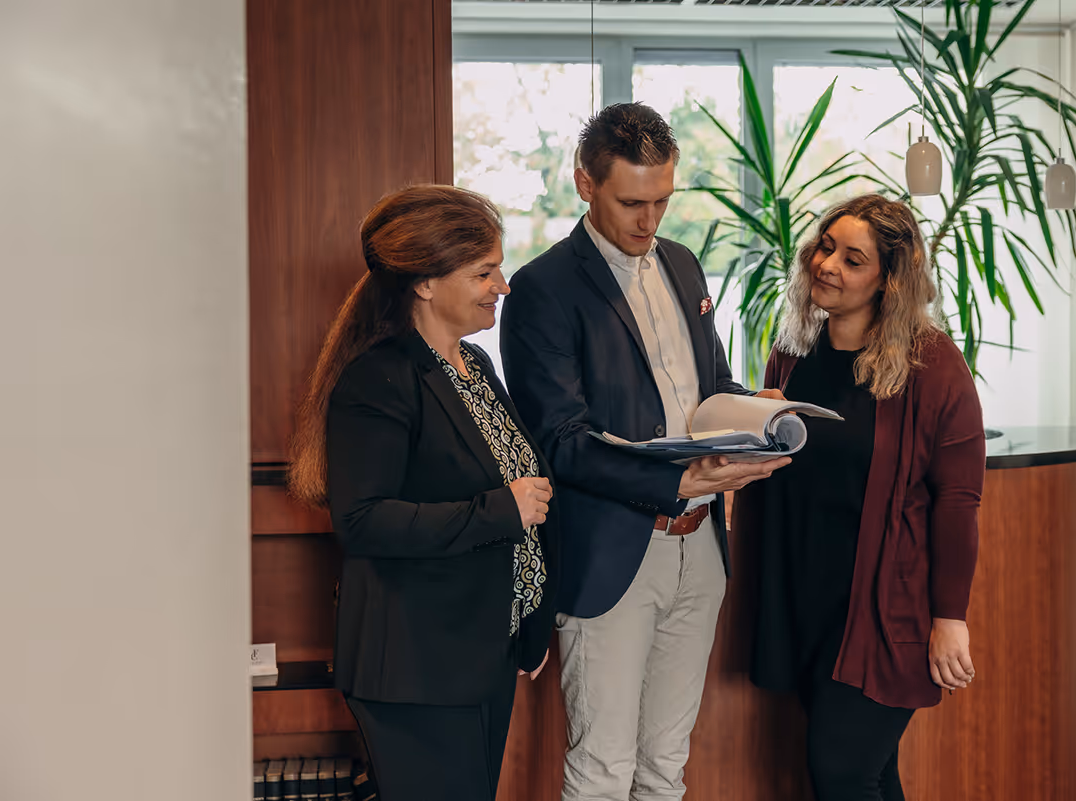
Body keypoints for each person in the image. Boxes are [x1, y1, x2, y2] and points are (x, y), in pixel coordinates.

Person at [500, 102, 790, 801]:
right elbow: (562, 443)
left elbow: (710, 383)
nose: (649, 221)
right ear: (584, 183)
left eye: (663, 200)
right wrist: (681, 478)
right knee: (602, 769)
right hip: (613, 557)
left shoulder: (684, 266)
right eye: (632, 202)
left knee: (666, 767)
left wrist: (762, 418)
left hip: (701, 554)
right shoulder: (542, 289)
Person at [288, 185, 558, 801]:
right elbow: (363, 521)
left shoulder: (476, 368)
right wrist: (499, 509)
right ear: (426, 283)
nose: (503, 286)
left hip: (483, 651)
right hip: (416, 670)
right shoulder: (378, 378)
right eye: (484, 272)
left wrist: (528, 624)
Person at [733, 194, 986, 801]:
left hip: (880, 609)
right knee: (867, 774)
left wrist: (950, 619)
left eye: (854, 260)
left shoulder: (931, 364)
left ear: (889, 281)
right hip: (806, 601)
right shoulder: (792, 355)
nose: (828, 265)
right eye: (826, 247)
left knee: (841, 772)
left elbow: (957, 499)